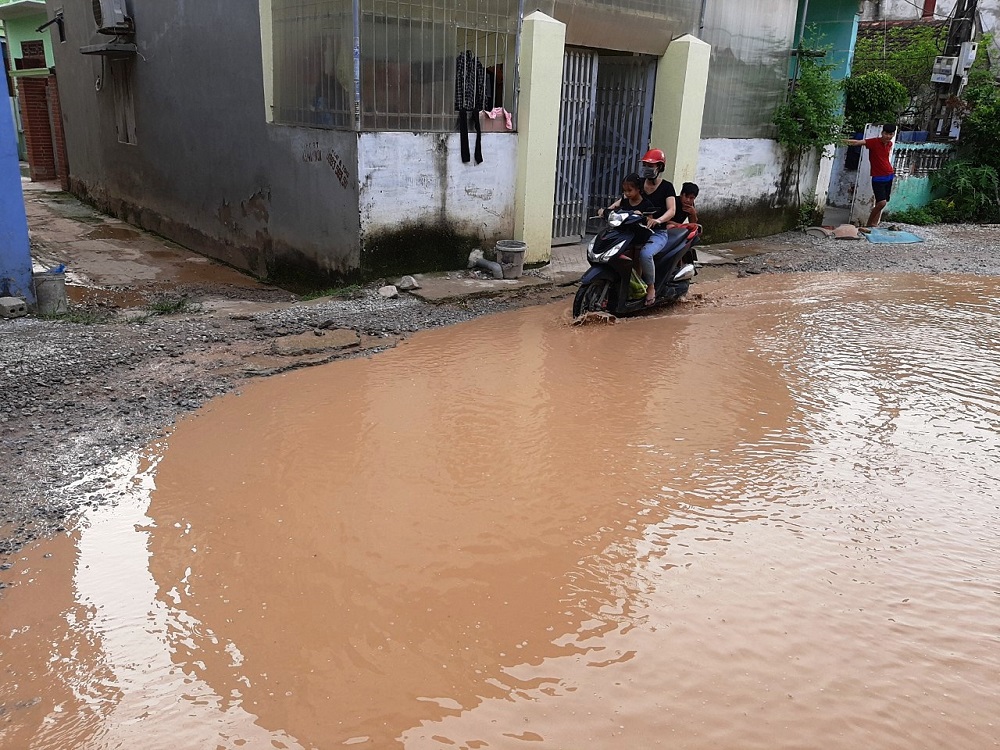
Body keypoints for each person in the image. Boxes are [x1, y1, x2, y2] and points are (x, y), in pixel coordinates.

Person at [634, 148, 677, 305]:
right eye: (645, 165)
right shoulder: (638, 183)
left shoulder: (667, 187)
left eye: (650, 166)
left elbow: (672, 210)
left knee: (645, 255)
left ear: (659, 167)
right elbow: (625, 199)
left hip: (657, 233)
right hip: (636, 230)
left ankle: (651, 287)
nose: (647, 168)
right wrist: (608, 210)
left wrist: (658, 220)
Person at [846, 125, 896, 227]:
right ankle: (868, 224)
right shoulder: (874, 142)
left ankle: (874, 224)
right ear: (882, 133)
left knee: (881, 202)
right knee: (882, 203)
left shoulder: (889, 144)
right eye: (886, 133)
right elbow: (857, 142)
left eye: (890, 134)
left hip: (889, 175)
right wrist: (838, 140)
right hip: (878, 177)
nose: (888, 136)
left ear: (893, 135)